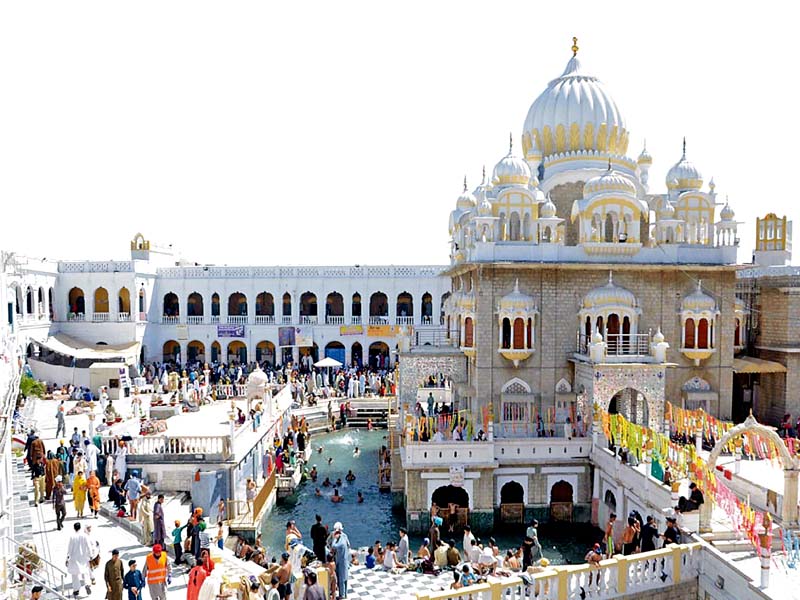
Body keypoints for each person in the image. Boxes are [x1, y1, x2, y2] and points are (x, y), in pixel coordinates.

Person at [66, 522, 93, 597]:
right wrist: (91, 555)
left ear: (74, 528)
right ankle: (87, 584)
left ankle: (76, 590)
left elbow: (69, 548)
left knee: (75, 574)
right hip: (83, 557)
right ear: (80, 527)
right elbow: (88, 546)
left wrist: (67, 557)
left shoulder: (72, 537)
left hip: (74, 558)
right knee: (85, 572)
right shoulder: (84, 536)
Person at [330, 522, 350, 598]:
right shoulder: (345, 536)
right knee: (345, 577)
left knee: (341, 578)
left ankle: (342, 595)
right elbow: (349, 544)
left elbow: (334, 546)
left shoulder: (340, 541)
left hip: (341, 561)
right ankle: (345, 594)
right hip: (344, 559)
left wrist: (335, 539)